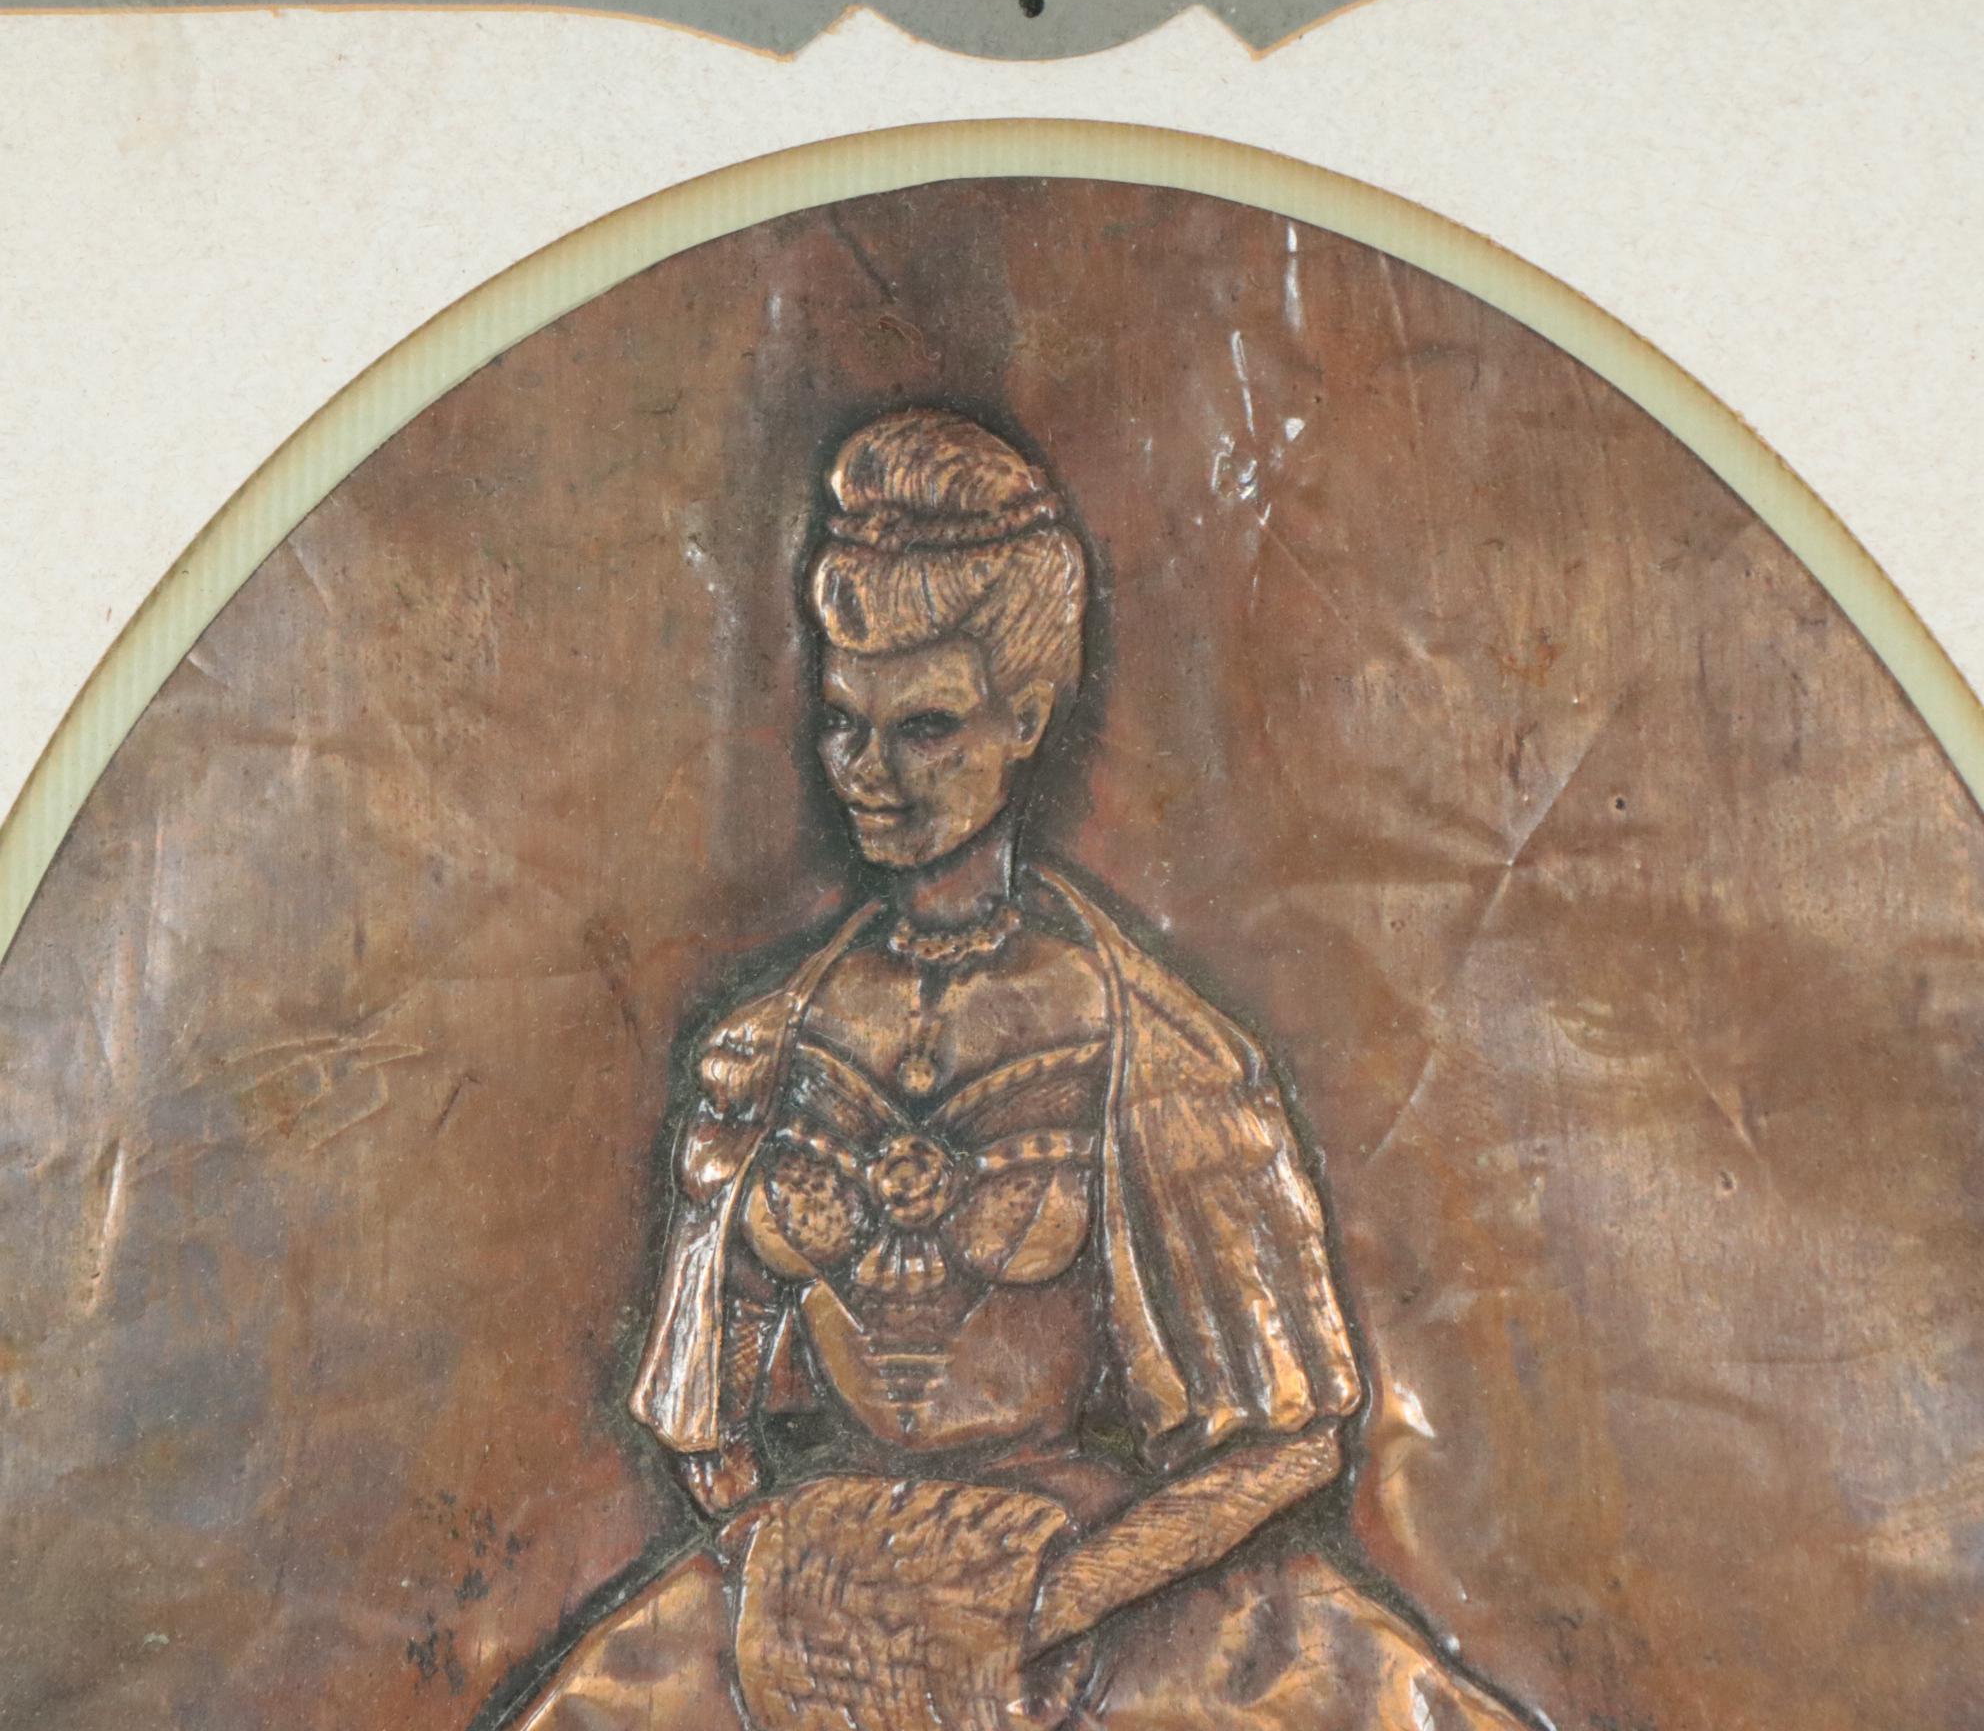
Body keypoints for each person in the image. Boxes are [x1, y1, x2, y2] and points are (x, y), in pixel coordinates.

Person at [516, 407, 1531, 1731]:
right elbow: (697, 1407)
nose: (870, 774)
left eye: (926, 728)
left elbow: (1296, 1433)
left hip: (1093, 1596)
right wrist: (776, 1560)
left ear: (1029, 716)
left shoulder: (1153, 1049)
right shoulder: (759, 1050)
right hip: (805, 1601)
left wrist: (1056, 1599)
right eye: (845, 723)